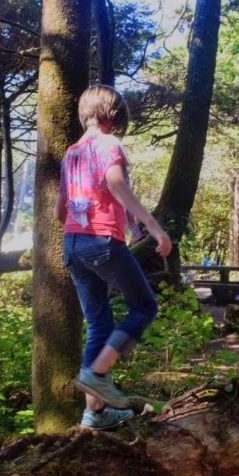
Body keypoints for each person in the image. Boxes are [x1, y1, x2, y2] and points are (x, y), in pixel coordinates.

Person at [56, 84, 172, 430]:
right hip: (101, 241)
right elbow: (117, 185)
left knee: (100, 323)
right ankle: (97, 373)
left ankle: (95, 413)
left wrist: (83, 226)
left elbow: (59, 210)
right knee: (145, 306)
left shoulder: (71, 152)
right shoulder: (109, 145)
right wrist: (154, 227)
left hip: (73, 245)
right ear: (113, 114)